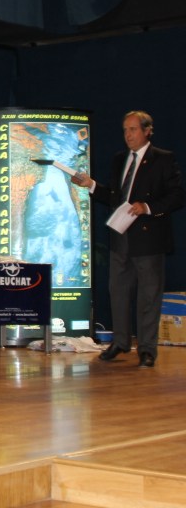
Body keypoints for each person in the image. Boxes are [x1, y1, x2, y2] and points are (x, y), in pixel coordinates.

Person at [72, 111, 184, 368]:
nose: (128, 135)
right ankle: (120, 342)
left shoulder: (163, 159)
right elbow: (114, 196)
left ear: (147, 131)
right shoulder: (119, 159)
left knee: (148, 296)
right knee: (118, 293)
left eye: (133, 129)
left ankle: (146, 349)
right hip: (120, 237)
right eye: (125, 130)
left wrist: (147, 206)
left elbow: (177, 196)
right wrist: (90, 185)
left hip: (149, 240)